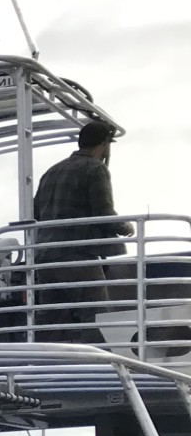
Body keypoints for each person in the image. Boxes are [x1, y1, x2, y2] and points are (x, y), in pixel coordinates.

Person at [31, 119, 133, 344]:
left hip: (45, 257)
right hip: (77, 255)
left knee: (50, 319)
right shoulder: (96, 169)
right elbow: (103, 213)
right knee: (96, 314)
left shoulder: (51, 171)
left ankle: (41, 367)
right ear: (105, 144)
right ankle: (97, 368)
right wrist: (125, 227)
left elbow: (36, 211)